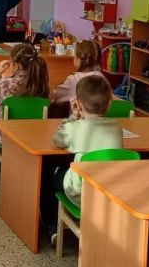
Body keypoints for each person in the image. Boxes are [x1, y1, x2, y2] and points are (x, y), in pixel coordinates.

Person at [41, 73, 125, 241]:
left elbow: (57, 140)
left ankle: (52, 226)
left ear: (78, 104)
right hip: (110, 191)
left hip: (81, 192)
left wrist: (73, 116)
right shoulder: (117, 128)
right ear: (109, 104)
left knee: (47, 168)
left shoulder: (75, 128)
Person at [0, 43, 49, 150]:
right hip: (33, 137)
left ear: (16, 66)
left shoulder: (7, 84)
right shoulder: (42, 85)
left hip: (8, 137)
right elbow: (52, 98)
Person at [51, 40, 102, 107]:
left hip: (79, 113)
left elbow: (55, 97)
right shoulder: (101, 77)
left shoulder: (73, 80)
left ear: (78, 59)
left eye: (74, 56)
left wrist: (54, 89)